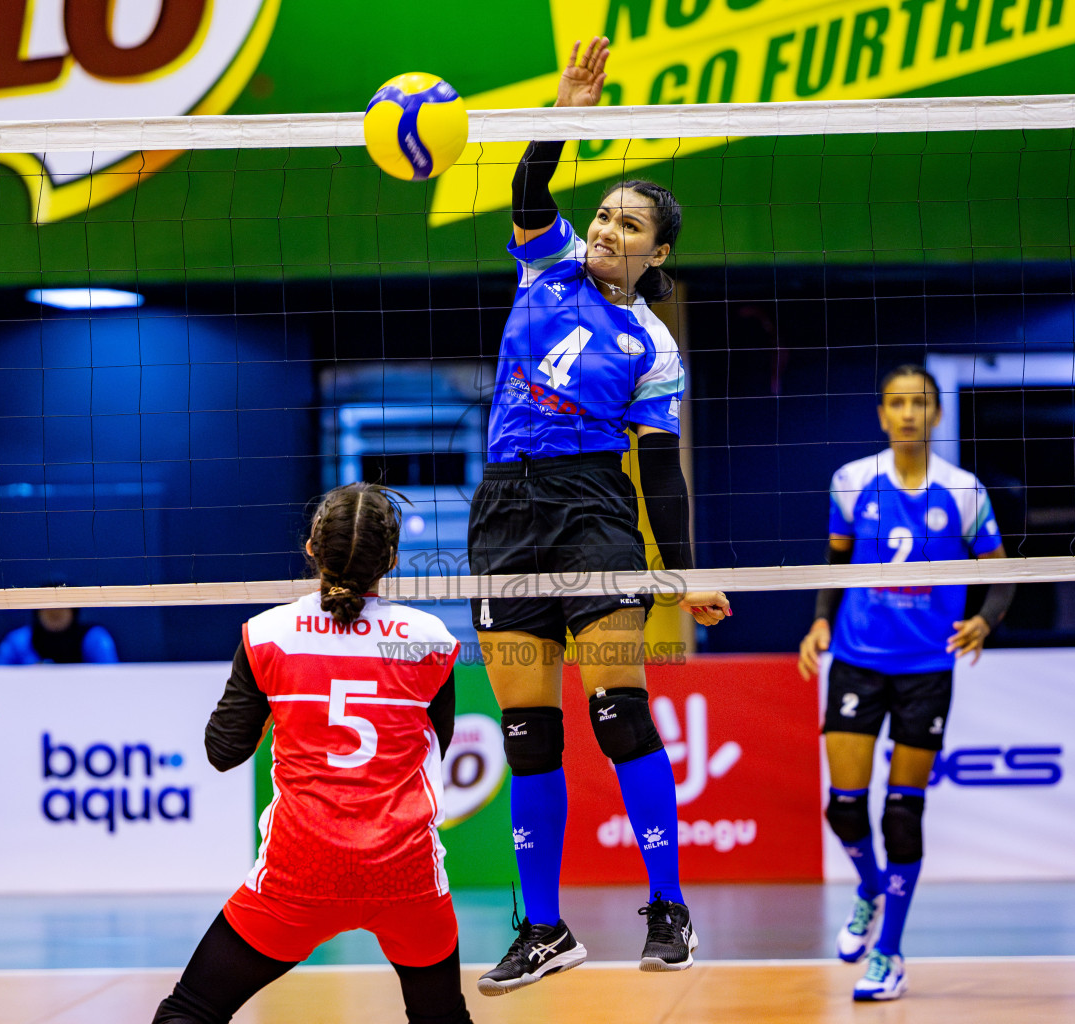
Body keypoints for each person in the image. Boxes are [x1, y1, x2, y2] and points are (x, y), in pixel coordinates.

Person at [467, 36, 729, 996]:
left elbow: (661, 473)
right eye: (606, 215)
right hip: (503, 505)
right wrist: (566, 108)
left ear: (658, 253)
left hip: (591, 507)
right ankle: (544, 928)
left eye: (631, 226)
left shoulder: (652, 342)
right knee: (529, 732)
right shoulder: (546, 266)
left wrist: (686, 571)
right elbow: (531, 193)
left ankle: (667, 908)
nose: (611, 230)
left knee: (619, 708)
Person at [154, 483, 471, 1024]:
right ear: (392, 559)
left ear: (310, 550)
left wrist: (279, 702)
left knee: (191, 1011)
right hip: (405, 873)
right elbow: (439, 741)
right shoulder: (429, 639)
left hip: (300, 873)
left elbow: (223, 752)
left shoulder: (267, 635)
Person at [797, 365, 1014, 1002]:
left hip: (925, 669)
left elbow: (1002, 574)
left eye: (920, 403)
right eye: (897, 403)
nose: (909, 414)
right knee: (844, 806)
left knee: (901, 813)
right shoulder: (852, 482)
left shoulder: (964, 490)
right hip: (859, 660)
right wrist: (818, 623)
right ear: (883, 414)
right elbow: (838, 562)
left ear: (937, 415)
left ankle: (889, 951)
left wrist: (984, 619)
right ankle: (868, 889)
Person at [0, 607, 117, 664]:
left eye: (62, 606)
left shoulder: (95, 639)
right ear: (37, 611)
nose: (55, 612)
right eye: (48, 606)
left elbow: (110, 680)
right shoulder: (17, 641)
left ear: (74, 611)